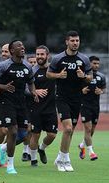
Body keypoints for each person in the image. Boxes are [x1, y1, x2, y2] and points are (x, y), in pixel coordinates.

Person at [0, 40, 38, 174]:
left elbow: (31, 82)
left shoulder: (27, 66)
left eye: (22, 46)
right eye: (19, 46)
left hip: (21, 103)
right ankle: (10, 164)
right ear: (12, 51)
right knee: (13, 132)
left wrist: (33, 92)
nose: (22, 47)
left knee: (25, 134)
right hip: (6, 102)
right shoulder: (3, 66)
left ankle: (4, 147)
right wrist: (3, 87)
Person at [47, 30, 92, 172]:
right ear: (67, 42)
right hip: (62, 98)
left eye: (77, 40)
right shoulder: (58, 58)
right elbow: (48, 74)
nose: (75, 43)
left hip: (77, 98)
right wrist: (58, 75)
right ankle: (64, 160)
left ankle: (60, 156)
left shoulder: (84, 59)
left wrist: (83, 75)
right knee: (67, 128)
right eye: (72, 41)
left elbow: (90, 77)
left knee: (70, 131)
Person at [29, 45, 57, 167]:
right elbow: (25, 87)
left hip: (51, 108)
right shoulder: (32, 71)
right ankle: (34, 160)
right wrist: (35, 91)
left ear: (47, 55)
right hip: (36, 108)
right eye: (38, 54)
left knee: (52, 135)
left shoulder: (53, 70)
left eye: (42, 54)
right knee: (35, 134)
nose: (39, 57)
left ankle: (42, 148)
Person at [78, 56, 106, 161]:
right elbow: (74, 90)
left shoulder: (101, 77)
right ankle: (91, 152)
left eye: (97, 64)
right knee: (88, 129)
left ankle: (82, 145)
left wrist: (101, 91)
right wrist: (82, 91)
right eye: (94, 63)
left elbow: (103, 89)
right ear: (89, 64)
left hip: (95, 106)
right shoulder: (82, 76)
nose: (96, 66)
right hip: (84, 105)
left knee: (92, 130)